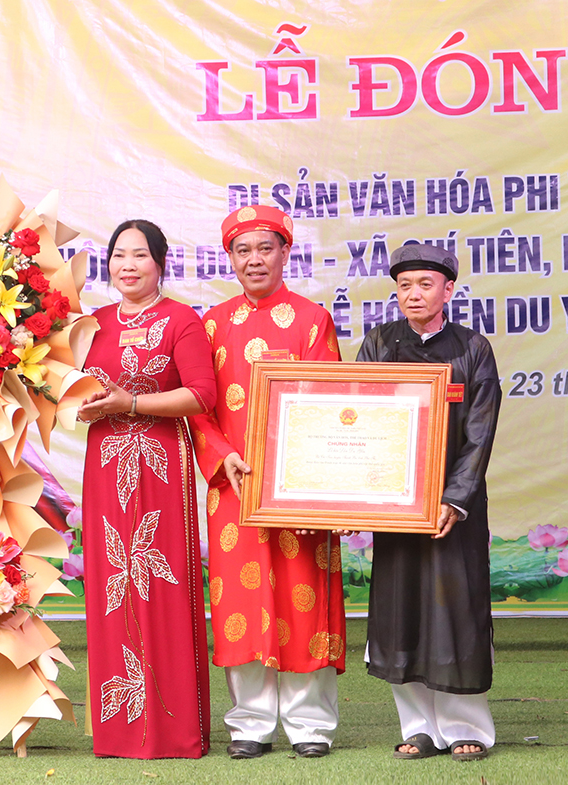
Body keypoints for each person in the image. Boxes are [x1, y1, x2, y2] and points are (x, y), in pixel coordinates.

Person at [190, 205, 346, 759]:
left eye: (265, 248)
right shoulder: (208, 324)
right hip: (231, 484)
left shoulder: (312, 320)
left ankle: (310, 726)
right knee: (240, 601)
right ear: (229, 258)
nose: (254, 259)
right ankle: (249, 724)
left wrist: (314, 476)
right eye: (243, 250)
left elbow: (332, 404)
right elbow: (197, 407)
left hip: (301, 486)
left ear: (286, 251)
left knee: (306, 601)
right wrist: (222, 454)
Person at [355, 243, 500, 762]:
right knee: (401, 612)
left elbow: (480, 434)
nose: (414, 294)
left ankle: (467, 727)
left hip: (452, 510)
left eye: (425, 284)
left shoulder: (472, 348)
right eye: (404, 286)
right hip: (395, 503)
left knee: (454, 609)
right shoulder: (379, 343)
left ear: (447, 290)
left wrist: (455, 499)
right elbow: (361, 416)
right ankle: (418, 726)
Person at [77, 220, 216, 758]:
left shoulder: (182, 320)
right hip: (106, 466)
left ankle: (175, 730)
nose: (127, 265)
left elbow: (200, 395)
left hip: (161, 463)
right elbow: (70, 391)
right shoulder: (90, 325)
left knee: (163, 587)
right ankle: (119, 731)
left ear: (160, 262)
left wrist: (129, 404)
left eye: (139, 255)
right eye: (118, 255)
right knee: (113, 586)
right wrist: (84, 405)